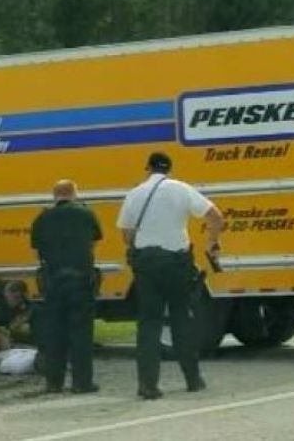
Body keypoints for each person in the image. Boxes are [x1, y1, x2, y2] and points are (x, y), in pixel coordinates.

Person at [117, 151, 225, 400]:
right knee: (181, 320)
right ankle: (192, 379)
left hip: (146, 265)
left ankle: (148, 385)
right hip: (176, 264)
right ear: (169, 169)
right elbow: (215, 216)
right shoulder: (181, 189)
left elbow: (126, 235)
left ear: (148, 168)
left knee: (149, 324)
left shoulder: (135, 194)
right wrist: (211, 243)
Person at [30, 180, 103, 394]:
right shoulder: (86, 214)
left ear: (55, 196)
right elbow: (97, 237)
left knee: (55, 333)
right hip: (80, 281)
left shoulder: (42, 217)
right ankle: (82, 383)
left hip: (53, 282)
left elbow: (36, 245)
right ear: (74, 193)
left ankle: (54, 382)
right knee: (81, 333)